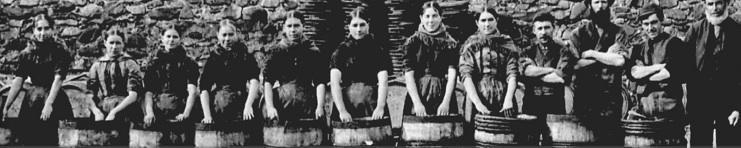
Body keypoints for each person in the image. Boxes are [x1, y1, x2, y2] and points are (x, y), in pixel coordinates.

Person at [1, 14, 74, 146]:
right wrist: (6, 106)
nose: (42, 33)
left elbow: (58, 79)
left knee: (54, 138)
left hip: (54, 97)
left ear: (53, 30)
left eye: (46, 29)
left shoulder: (59, 50)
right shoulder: (26, 53)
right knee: (31, 139)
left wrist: (48, 104)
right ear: (33, 30)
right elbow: (18, 80)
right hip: (33, 99)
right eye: (39, 29)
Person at [569, 0, 633, 145]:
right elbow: (575, 65)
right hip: (585, 101)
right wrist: (606, 56)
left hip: (610, 102)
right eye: (596, 2)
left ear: (609, 5)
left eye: (604, 1)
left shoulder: (618, 32)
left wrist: (592, 54)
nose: (600, 6)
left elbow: (620, 61)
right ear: (590, 5)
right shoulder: (578, 34)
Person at [682, 0, 741, 145]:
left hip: (728, 100)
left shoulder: (737, 31)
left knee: (730, 142)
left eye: (719, 3)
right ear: (704, 5)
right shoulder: (695, 30)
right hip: (700, 100)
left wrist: (737, 107)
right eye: (710, 3)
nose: (715, 8)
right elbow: (684, 65)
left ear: (726, 3)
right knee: (700, 142)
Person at [625, 3, 687, 122]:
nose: (650, 28)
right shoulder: (638, 49)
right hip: (644, 116)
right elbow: (632, 73)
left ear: (661, 21)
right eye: (646, 24)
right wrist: (659, 67)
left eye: (654, 22)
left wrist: (643, 76)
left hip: (670, 117)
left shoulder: (675, 44)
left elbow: (671, 72)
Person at [330, 7, 393, 122]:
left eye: (362, 25)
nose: (359, 29)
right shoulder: (341, 52)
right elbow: (334, 83)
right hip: (348, 104)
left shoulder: (378, 50)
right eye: (354, 25)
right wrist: (342, 110)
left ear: (368, 24)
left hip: (371, 103)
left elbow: (383, 81)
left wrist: (380, 107)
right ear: (348, 26)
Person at [141, 24, 200, 145]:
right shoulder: (154, 63)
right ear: (162, 38)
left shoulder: (188, 63)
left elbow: (192, 91)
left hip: (181, 108)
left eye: (175, 37)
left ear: (180, 39)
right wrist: (150, 112)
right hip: (159, 110)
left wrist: (186, 113)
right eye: (168, 36)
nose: (171, 40)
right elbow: (148, 91)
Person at [263, 10, 327, 121]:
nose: (293, 30)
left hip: (307, 100)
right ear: (284, 28)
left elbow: (320, 81)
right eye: (289, 26)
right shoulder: (277, 51)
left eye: (296, 26)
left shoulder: (312, 51)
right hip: (282, 100)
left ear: (303, 26)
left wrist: (320, 106)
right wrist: (270, 107)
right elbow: (268, 81)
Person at [401, 1, 459, 117]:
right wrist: (417, 103)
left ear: (441, 17)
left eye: (434, 16)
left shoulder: (450, 43)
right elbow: (409, 75)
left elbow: (452, 74)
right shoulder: (413, 42)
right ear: (421, 18)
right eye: (427, 16)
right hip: (419, 93)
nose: (430, 21)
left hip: (442, 93)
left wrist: (446, 102)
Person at [459, 8, 519, 118]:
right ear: (477, 23)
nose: (487, 24)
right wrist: (477, 103)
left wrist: (508, 100)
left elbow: (512, 73)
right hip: (477, 95)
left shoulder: (507, 42)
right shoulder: (471, 44)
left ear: (496, 20)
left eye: (490, 20)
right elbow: (466, 75)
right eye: (483, 20)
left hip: (503, 95)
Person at [199, 20, 261, 123]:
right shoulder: (214, 58)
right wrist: (207, 115)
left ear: (236, 34)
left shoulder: (245, 55)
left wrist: (248, 105)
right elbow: (204, 87)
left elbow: (254, 80)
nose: (227, 39)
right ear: (218, 36)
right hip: (220, 100)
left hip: (242, 97)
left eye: (231, 35)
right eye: (224, 35)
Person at [519, 13, 574, 116]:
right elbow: (525, 72)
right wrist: (551, 70)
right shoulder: (527, 51)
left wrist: (535, 72)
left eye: (547, 27)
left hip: (554, 104)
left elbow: (561, 77)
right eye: (539, 28)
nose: (543, 32)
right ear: (534, 31)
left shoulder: (563, 51)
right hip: (531, 104)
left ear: (554, 28)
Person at [86, 26, 142, 122]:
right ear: (105, 43)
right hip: (104, 110)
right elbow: (89, 95)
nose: (114, 47)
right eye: (111, 43)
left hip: (126, 109)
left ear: (123, 44)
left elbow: (133, 95)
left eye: (118, 43)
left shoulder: (130, 63)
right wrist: (96, 111)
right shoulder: (97, 65)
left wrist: (114, 112)